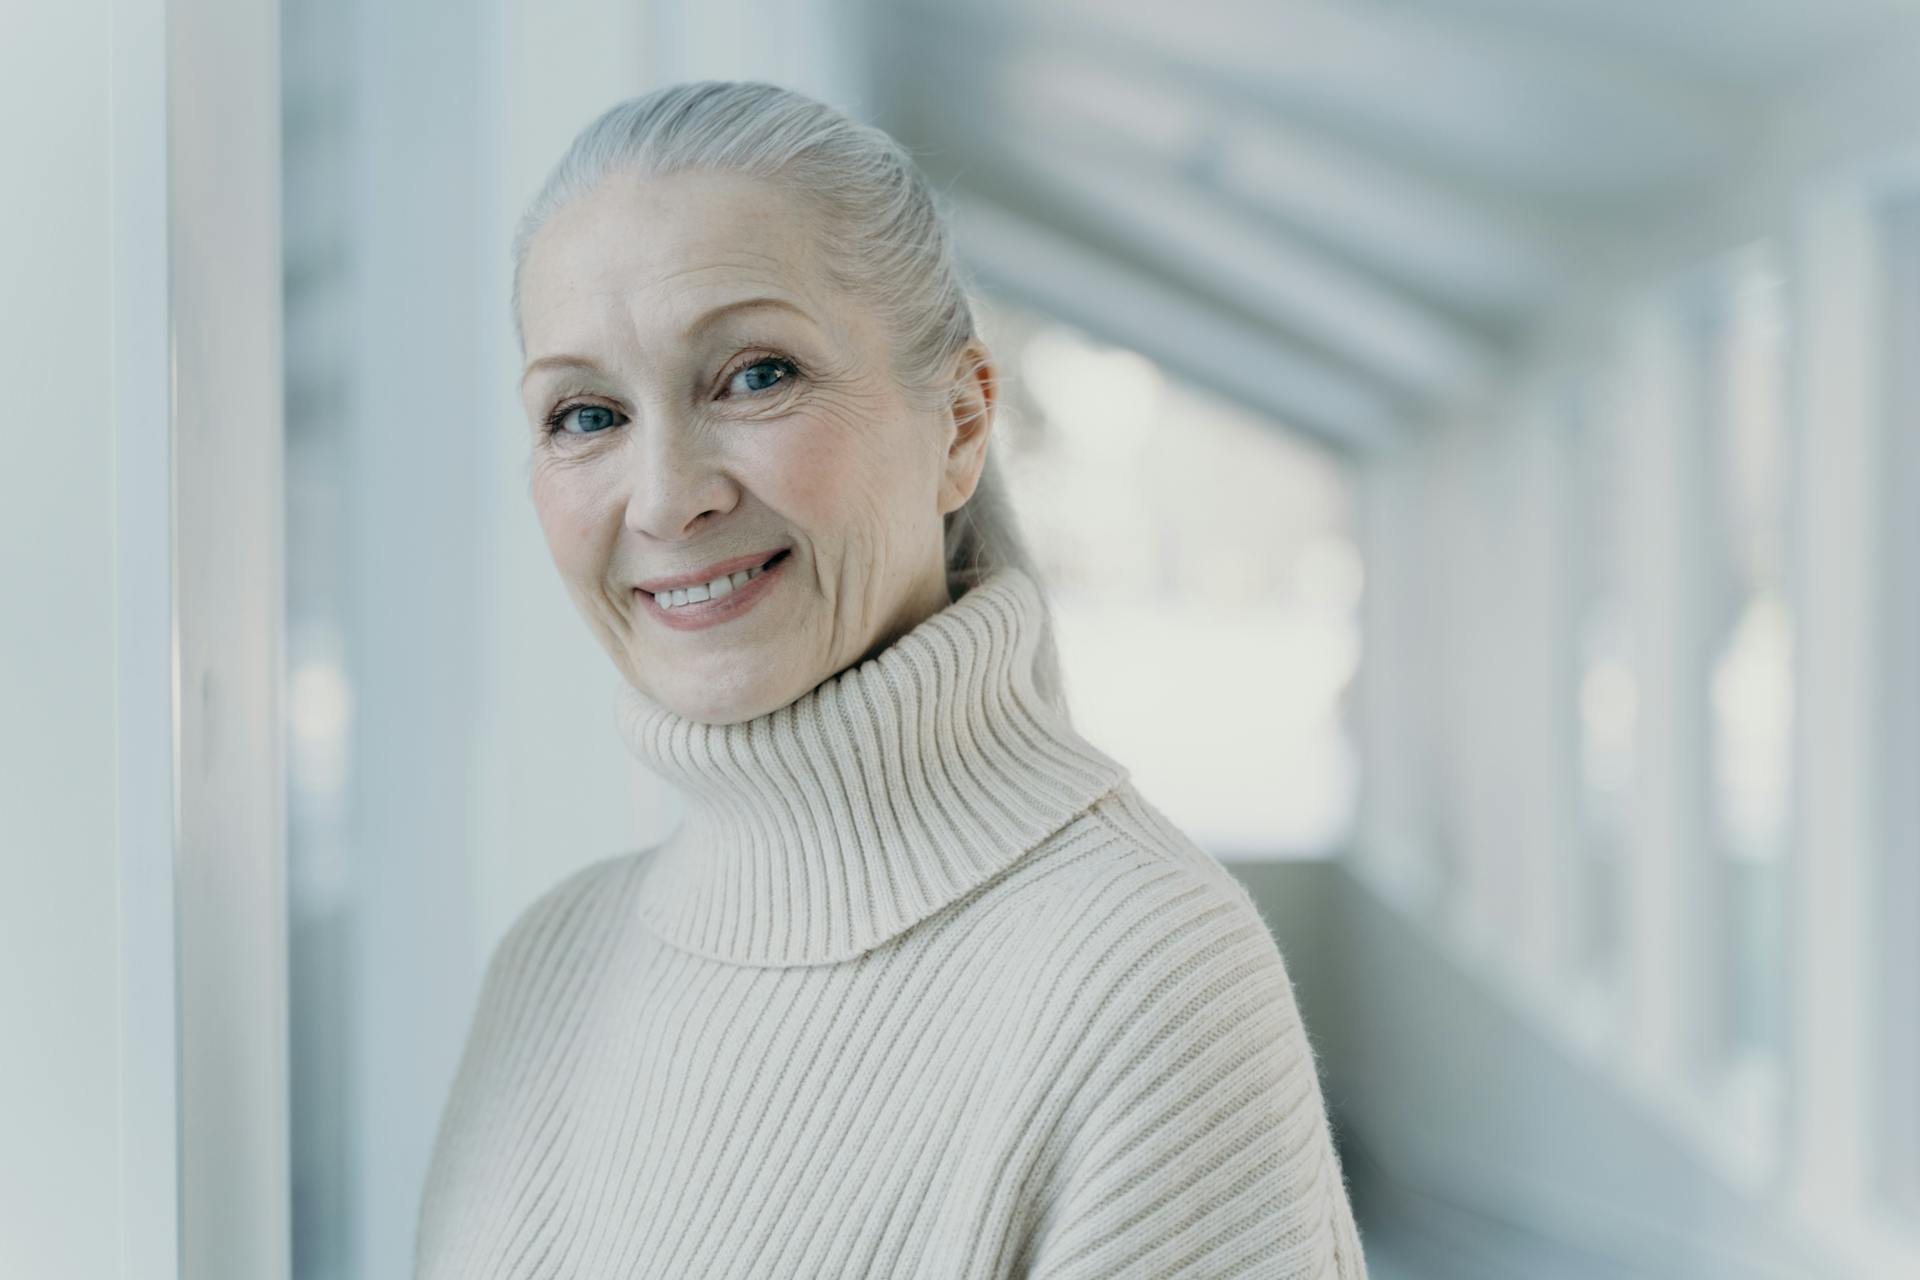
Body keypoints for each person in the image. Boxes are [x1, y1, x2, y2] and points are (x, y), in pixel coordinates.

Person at [414, 79, 1368, 1279]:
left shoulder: (1143, 974)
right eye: (587, 412)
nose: (664, 497)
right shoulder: (549, 964)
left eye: (755, 374)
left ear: (962, 422)